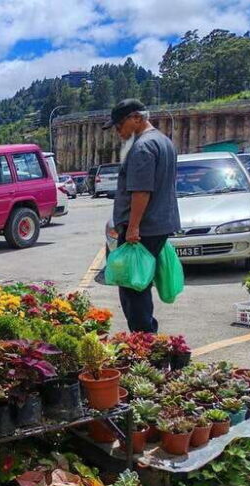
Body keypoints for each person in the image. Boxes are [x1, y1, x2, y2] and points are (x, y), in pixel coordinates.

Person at [104, 98, 180, 333]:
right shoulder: (164, 141)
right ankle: (146, 337)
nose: (118, 131)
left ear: (136, 118)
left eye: (119, 125)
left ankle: (143, 341)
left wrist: (133, 227)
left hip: (143, 228)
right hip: (159, 224)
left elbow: (141, 192)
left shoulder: (143, 147)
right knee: (141, 283)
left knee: (133, 286)